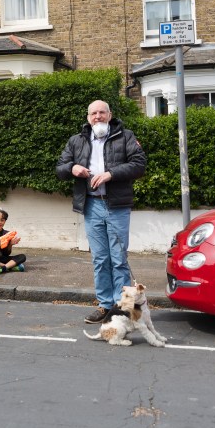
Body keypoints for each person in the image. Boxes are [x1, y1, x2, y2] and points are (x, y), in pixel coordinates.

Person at [56, 100, 146, 324]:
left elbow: (139, 164)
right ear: (88, 118)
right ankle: (105, 305)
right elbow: (60, 168)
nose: (98, 116)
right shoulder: (76, 141)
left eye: (102, 112)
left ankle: (122, 307)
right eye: (94, 113)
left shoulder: (125, 136)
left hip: (116, 206)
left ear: (110, 115)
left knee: (118, 258)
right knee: (99, 259)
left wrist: (110, 174)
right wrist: (72, 168)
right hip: (92, 205)